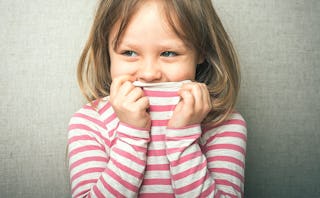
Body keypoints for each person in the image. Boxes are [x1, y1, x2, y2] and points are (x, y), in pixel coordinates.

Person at [68, 0, 247, 197]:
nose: (149, 73)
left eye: (169, 53)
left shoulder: (225, 124)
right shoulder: (90, 123)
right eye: (129, 52)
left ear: (202, 51)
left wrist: (183, 139)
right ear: (107, 52)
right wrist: (131, 137)